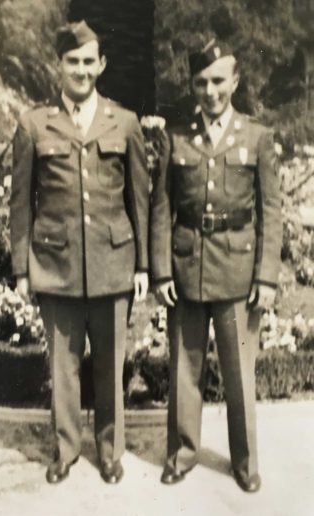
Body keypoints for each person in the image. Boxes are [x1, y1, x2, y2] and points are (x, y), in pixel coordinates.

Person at [10, 20, 149, 484]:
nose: (82, 70)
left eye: (90, 61)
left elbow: (140, 200)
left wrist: (144, 264)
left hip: (113, 264)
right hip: (56, 264)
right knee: (63, 368)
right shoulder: (34, 124)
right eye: (73, 61)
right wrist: (22, 268)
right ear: (59, 66)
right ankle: (66, 449)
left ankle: (110, 452)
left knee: (110, 367)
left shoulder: (124, 122)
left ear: (102, 65)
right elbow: (21, 202)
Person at [150, 39, 281, 492]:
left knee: (239, 376)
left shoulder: (257, 137)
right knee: (184, 369)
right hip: (186, 270)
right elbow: (161, 207)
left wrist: (267, 276)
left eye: (219, 80)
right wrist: (161, 271)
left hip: (238, 275)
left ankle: (245, 463)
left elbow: (272, 213)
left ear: (236, 81)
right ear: (192, 85)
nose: (211, 91)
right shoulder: (176, 137)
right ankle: (182, 454)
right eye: (202, 82)